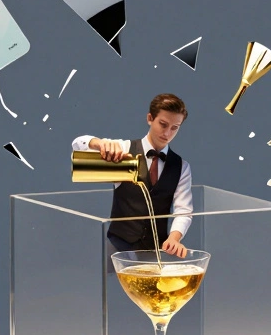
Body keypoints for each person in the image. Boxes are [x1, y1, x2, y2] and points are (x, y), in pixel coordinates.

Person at [72, 93, 193, 258]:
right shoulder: (123, 149)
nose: (167, 133)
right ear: (150, 118)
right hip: (118, 246)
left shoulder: (181, 166)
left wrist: (174, 238)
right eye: (163, 124)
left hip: (154, 250)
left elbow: (184, 210)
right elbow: (77, 143)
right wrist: (98, 143)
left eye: (175, 127)